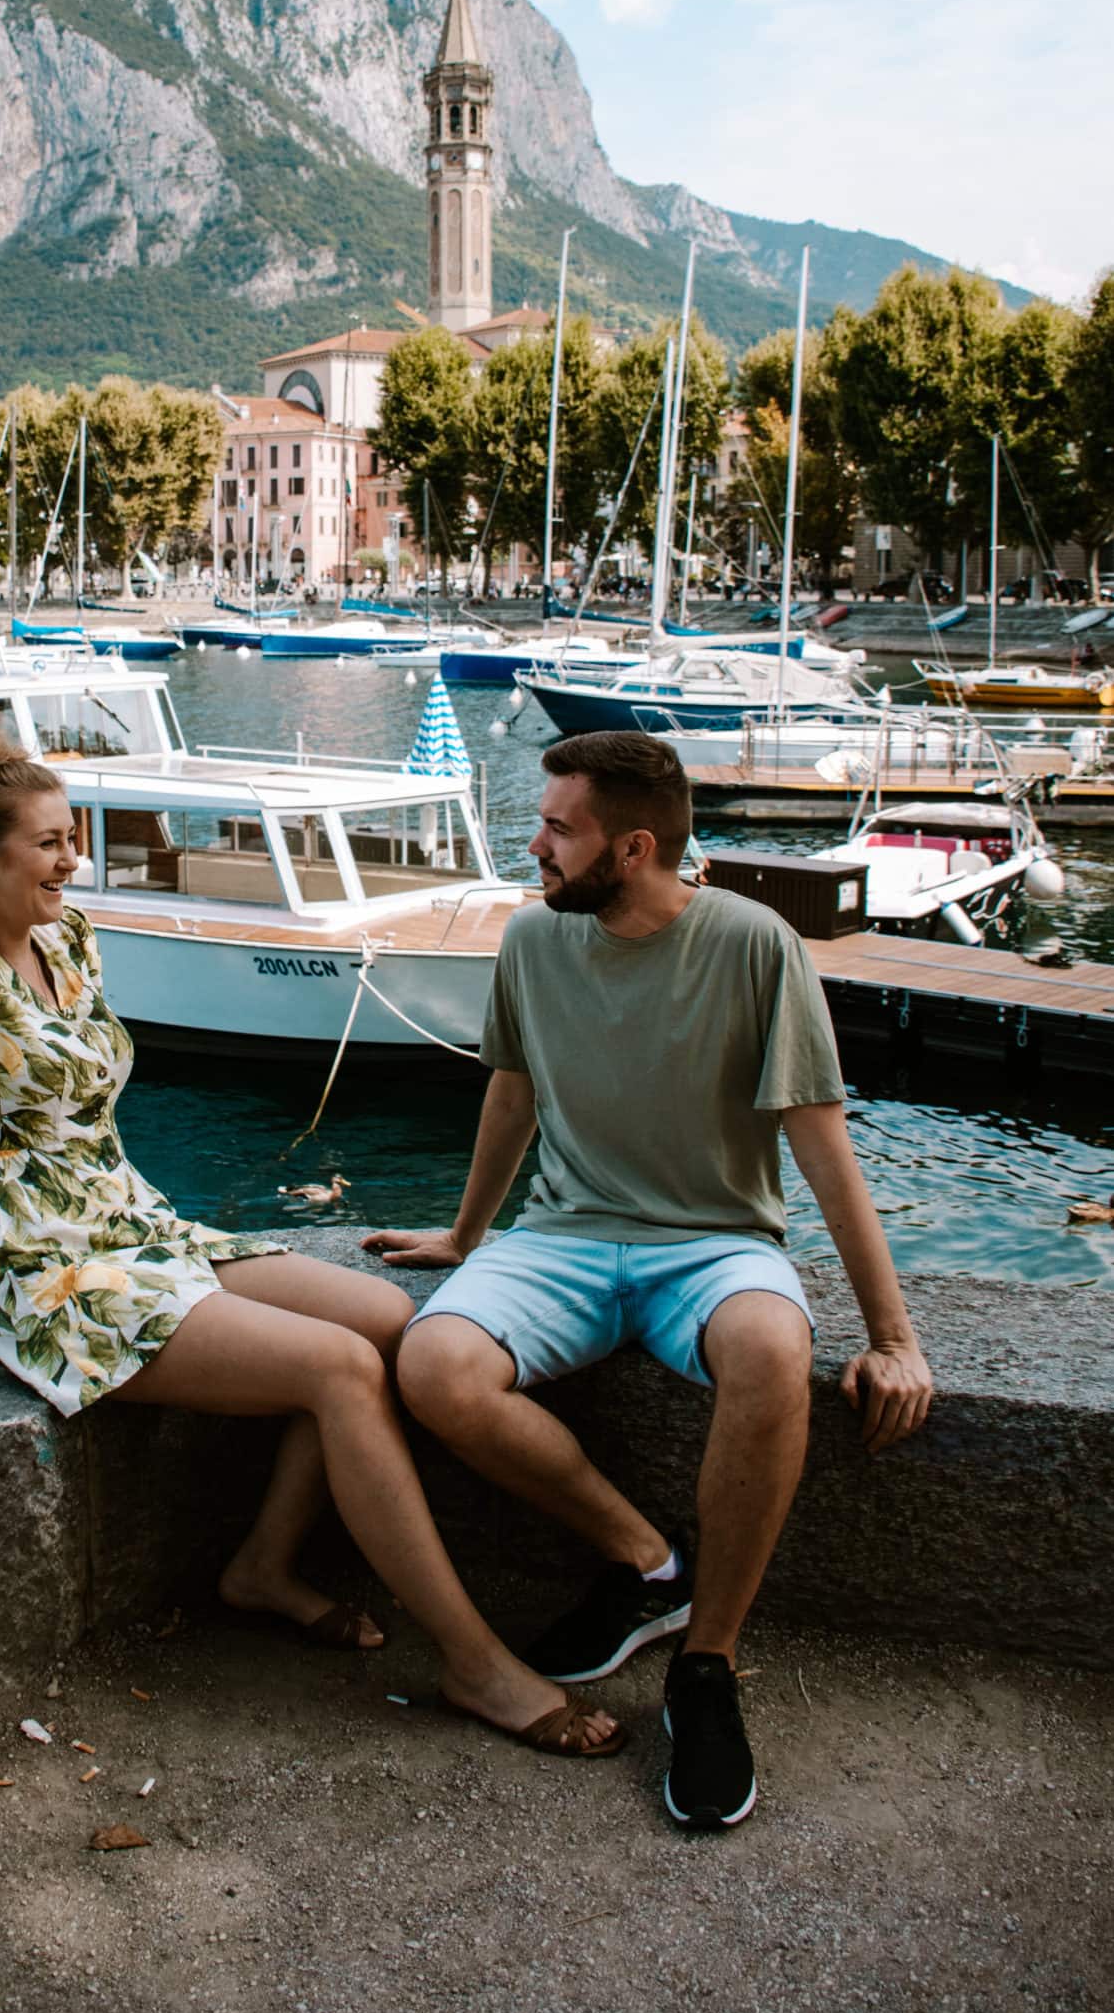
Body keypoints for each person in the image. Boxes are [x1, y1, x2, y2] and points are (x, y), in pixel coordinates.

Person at [0, 726, 624, 1758]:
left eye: (71, 838)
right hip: (48, 1262)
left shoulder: (68, 936)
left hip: (132, 1217)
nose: (69, 858)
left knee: (389, 1317)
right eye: (46, 843)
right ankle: (477, 1663)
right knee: (341, 1369)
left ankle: (261, 1566)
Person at [365, 729, 932, 1831]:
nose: (531, 845)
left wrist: (893, 1333)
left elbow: (822, 1151)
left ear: (631, 848)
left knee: (772, 1348)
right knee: (432, 1359)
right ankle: (646, 1559)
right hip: (564, 1236)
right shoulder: (532, 941)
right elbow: (512, 1098)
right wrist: (465, 1235)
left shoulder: (757, 945)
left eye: (555, 828)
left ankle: (706, 1664)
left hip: (713, 1243)